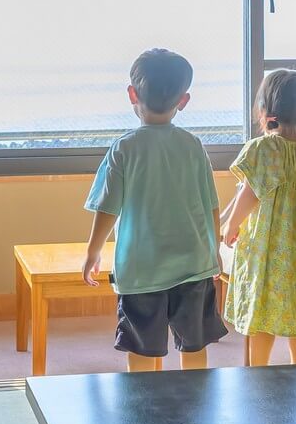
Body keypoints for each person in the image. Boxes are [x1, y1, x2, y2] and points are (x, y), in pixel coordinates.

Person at [82, 48, 227, 372]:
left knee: (143, 349)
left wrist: (93, 252)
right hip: (194, 266)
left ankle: (145, 400)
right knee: (195, 345)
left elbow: (107, 208)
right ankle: (195, 397)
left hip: (141, 271)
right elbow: (211, 204)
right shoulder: (193, 145)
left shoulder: (124, 148)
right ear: (183, 101)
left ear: (132, 94)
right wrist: (214, 250)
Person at [219, 69, 296, 367]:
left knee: (263, 307)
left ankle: (259, 368)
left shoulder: (263, 147)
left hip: (269, 245)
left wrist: (232, 225)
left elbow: (251, 193)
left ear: (267, 108)